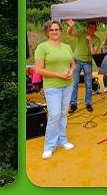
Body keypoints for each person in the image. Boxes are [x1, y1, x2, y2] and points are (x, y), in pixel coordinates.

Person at [34, 20, 75, 160]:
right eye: (51, 30)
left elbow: (73, 64)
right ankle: (49, 146)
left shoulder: (67, 47)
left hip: (68, 84)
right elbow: (39, 69)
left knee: (63, 113)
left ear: (61, 31)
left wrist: (70, 71)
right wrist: (59, 74)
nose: (55, 32)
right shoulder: (42, 47)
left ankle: (62, 140)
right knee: (54, 115)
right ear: (47, 32)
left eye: (57, 29)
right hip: (52, 86)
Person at [65, 19, 101, 113]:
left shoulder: (97, 40)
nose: (91, 29)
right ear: (87, 28)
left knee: (88, 84)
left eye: (93, 28)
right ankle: (73, 104)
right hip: (77, 60)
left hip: (88, 62)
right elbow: (69, 33)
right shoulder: (81, 33)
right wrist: (71, 26)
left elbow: (93, 53)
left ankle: (88, 103)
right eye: (90, 28)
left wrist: (89, 41)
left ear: (95, 30)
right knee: (75, 83)